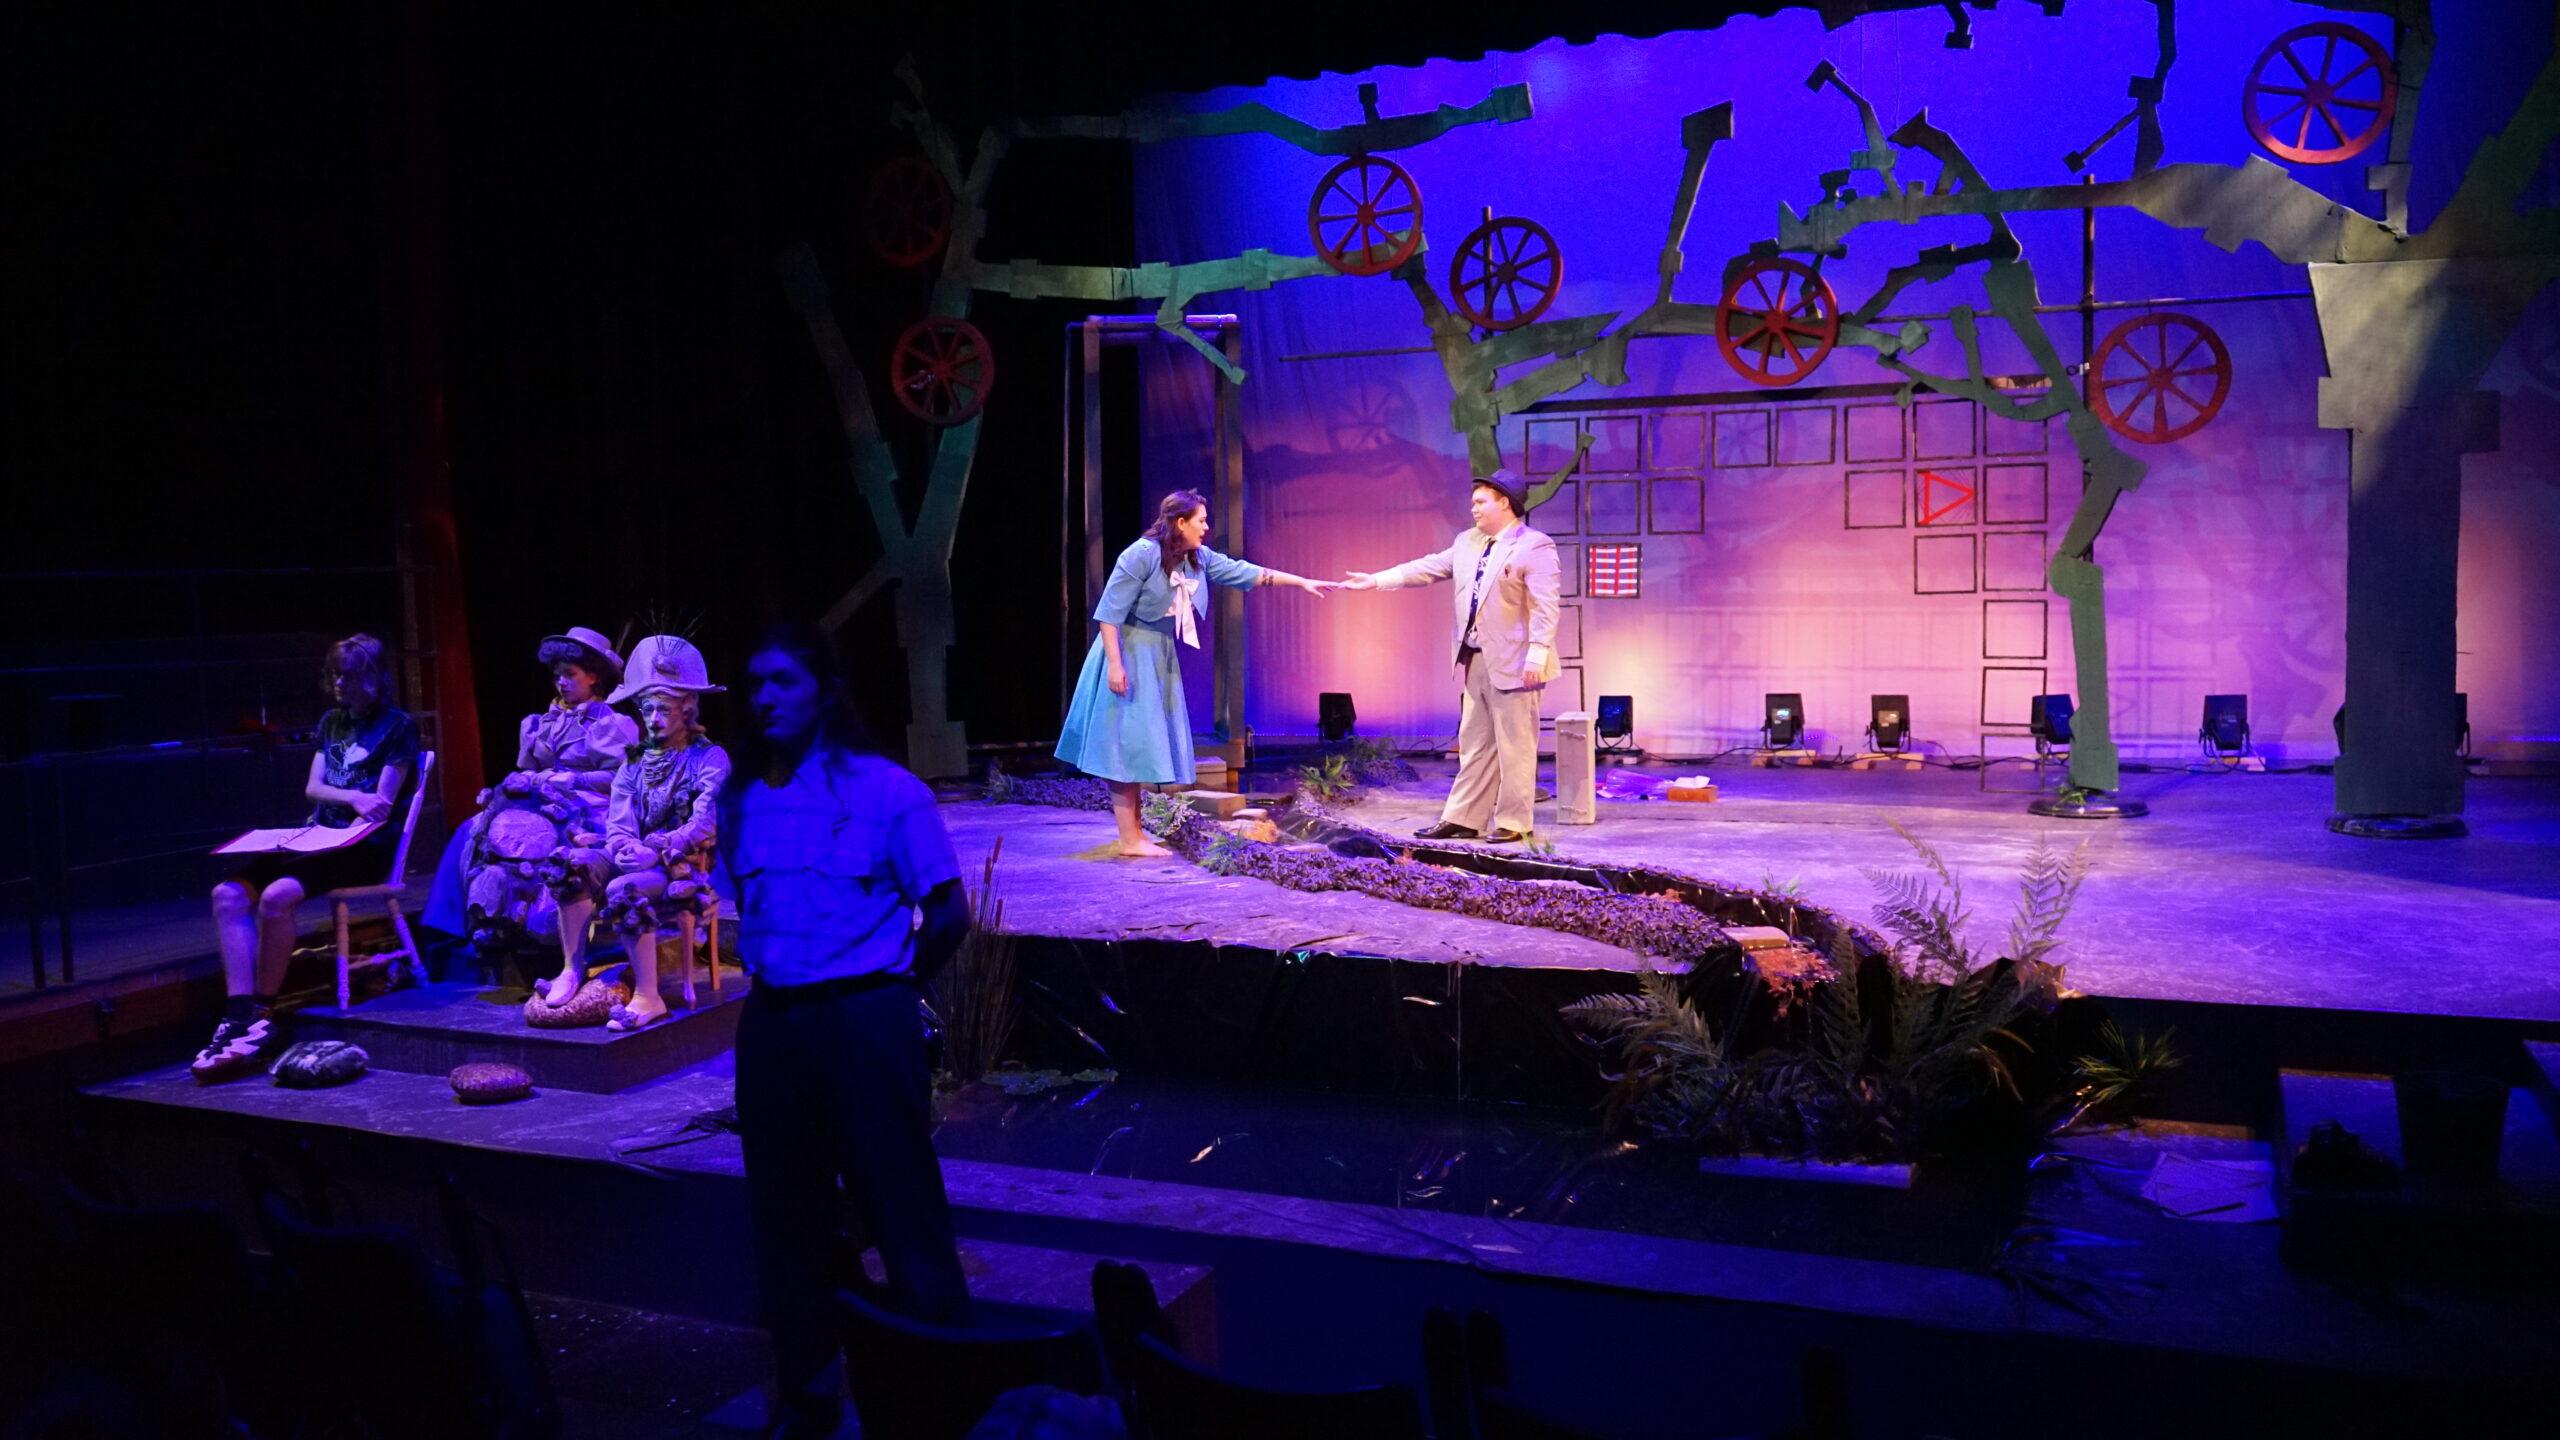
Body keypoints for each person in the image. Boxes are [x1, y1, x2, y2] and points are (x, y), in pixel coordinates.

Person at [718, 619, 971, 1439]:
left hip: (865, 1018)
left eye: (782, 682)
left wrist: (890, 991)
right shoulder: (740, 798)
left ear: (825, 692)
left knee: (899, 1202)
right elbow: (748, 906)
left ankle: (936, 1400)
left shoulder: (889, 791)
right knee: (785, 1217)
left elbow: (948, 913)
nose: (763, 698)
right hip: (774, 1024)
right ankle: (809, 1398)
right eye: (755, 684)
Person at [1055, 488, 1332, 856]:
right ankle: (1129, 839)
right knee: (1124, 745)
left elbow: (1243, 572)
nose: (1206, 527)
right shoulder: (1140, 555)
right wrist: (1116, 665)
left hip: (1158, 654)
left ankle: (1135, 835)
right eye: (1201, 520)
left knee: (1141, 745)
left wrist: (1300, 581)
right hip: (1128, 651)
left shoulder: (1195, 558)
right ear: (1180, 522)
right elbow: (1109, 614)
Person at [194, 634, 419, 1081]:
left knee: (276, 896)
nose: (339, 683)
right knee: (227, 895)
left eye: (348, 675)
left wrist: (356, 804)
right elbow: (313, 787)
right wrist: (351, 795)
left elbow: (380, 806)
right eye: (334, 675)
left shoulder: (398, 726)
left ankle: (263, 1010)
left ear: (373, 678)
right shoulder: (331, 722)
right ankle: (238, 1014)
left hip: (362, 846)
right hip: (318, 837)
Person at [1343, 468, 1559, 843]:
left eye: (1481, 501)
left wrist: (1537, 655)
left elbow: (1546, 606)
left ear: (1504, 502)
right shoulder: (1467, 542)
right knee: (1474, 744)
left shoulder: (1534, 546)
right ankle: (1465, 818)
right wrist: (1377, 580)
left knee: (1516, 747)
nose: (1473, 508)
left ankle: (1514, 821)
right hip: (1475, 658)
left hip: (1517, 661)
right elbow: (1427, 567)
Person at [593, 634, 731, 1031]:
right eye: (647, 709)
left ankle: (648, 995)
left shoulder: (708, 758)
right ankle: (570, 971)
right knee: (576, 865)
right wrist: (623, 846)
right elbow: (618, 822)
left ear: (686, 708)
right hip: (637, 857)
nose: (653, 719)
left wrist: (659, 848)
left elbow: (704, 821)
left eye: (663, 709)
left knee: (624, 889)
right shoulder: (633, 764)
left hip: (679, 865)